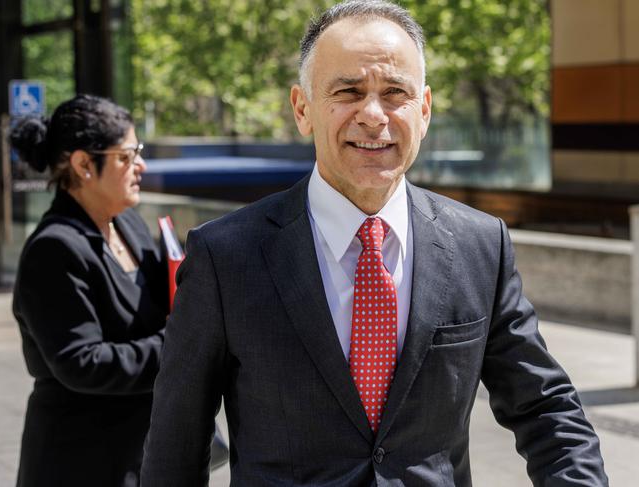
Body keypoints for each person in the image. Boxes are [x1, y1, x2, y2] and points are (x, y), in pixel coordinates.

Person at [141, 1, 608, 485]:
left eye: (394, 93)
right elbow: (176, 445)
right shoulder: (225, 256)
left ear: (423, 111)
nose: (372, 114)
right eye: (348, 91)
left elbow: (546, 408)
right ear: (302, 109)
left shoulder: (480, 245)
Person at [11, 94, 168, 487]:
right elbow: (83, 363)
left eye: (139, 153)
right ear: (83, 164)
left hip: (138, 455)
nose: (140, 166)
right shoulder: (54, 249)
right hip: (78, 462)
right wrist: (179, 346)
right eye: (126, 157)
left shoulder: (127, 224)